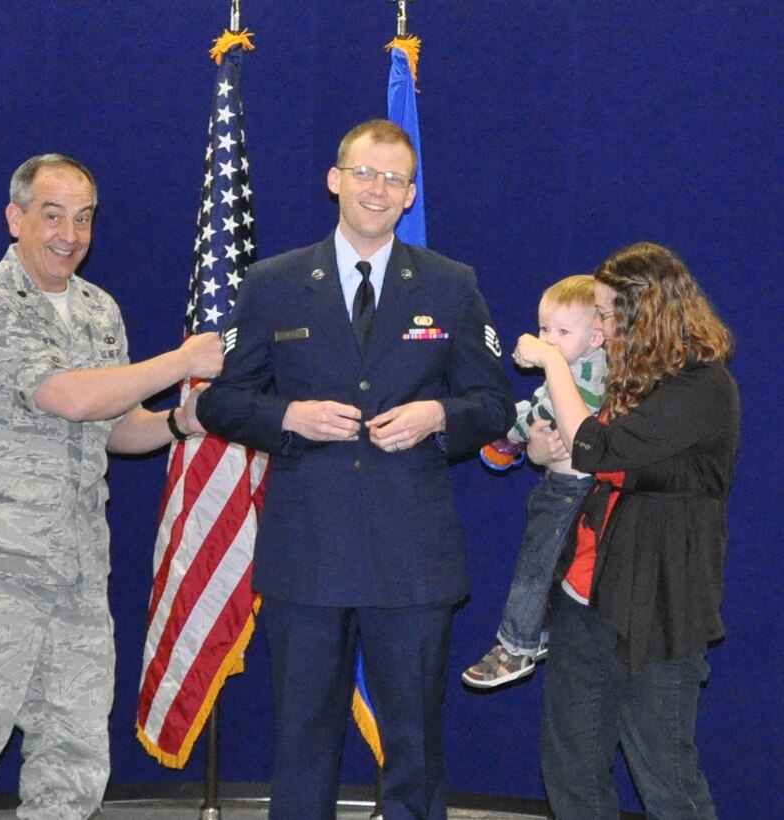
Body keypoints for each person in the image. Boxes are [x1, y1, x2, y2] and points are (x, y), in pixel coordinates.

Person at [0, 154, 224, 820]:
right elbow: (65, 396)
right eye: (52, 214)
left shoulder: (98, 311)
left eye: (84, 217)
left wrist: (181, 423)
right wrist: (181, 361)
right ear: (16, 219)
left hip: (75, 575)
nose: (69, 233)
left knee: (73, 762)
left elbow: (116, 427)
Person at [196, 119, 514, 820]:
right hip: (307, 550)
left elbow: (493, 405)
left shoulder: (450, 285)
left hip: (411, 556)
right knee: (302, 741)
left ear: (409, 196)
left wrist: (437, 418)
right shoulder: (272, 283)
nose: (377, 189)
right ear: (335, 179)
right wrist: (288, 418)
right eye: (364, 173)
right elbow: (222, 401)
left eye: (393, 178)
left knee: (414, 744)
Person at [513, 242, 738, 818]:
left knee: (665, 775)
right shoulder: (622, 377)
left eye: (611, 314)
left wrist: (555, 364)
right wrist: (539, 448)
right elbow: (567, 449)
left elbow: (596, 449)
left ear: (650, 313)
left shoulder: (702, 388)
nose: (603, 328)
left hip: (658, 609)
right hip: (582, 596)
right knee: (572, 770)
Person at [463, 275, 607, 688]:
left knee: (535, 566)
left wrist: (512, 433)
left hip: (571, 490)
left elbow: (566, 417)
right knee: (545, 565)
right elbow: (541, 406)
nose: (551, 340)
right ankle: (539, 631)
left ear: (597, 337)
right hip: (559, 486)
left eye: (563, 332)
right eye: (546, 329)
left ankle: (517, 645)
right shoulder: (575, 365)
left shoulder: (593, 372)